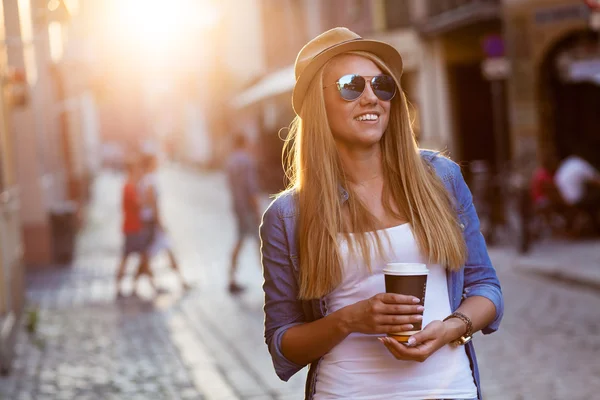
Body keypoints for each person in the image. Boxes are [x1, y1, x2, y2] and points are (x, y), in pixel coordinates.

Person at [260, 27, 503, 400]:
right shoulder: (288, 215)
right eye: (350, 86)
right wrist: (350, 319)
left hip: (448, 390)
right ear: (317, 104)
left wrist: (454, 326)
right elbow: (283, 342)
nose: (371, 97)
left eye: (382, 85)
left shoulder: (441, 178)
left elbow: (486, 287)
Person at [137, 153, 191, 292]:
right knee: (148, 253)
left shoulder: (145, 179)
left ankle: (180, 281)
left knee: (164, 250)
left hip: (149, 220)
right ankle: (142, 281)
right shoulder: (150, 180)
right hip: (151, 221)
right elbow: (152, 202)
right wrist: (159, 221)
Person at [225, 134, 262, 294]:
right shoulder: (246, 161)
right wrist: (257, 209)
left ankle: (231, 277)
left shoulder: (230, 161)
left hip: (237, 207)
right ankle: (273, 281)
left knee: (240, 240)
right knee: (261, 243)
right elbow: (251, 188)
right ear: (244, 143)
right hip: (248, 208)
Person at [115, 156, 154, 297]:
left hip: (133, 227)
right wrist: (148, 198)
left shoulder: (130, 186)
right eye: (137, 170)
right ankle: (124, 285)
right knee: (131, 257)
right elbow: (139, 204)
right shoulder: (129, 186)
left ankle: (144, 284)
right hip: (133, 228)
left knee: (140, 256)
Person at [554, 153, 600, 235]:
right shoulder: (579, 164)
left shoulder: (566, 165)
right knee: (596, 199)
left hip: (564, 199)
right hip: (576, 200)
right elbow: (595, 179)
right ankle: (596, 226)